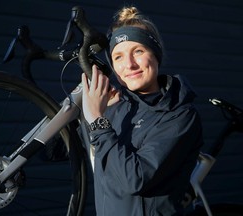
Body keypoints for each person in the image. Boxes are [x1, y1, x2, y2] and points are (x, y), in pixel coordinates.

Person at [81, 5, 203, 216]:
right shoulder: (111, 108)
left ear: (156, 55)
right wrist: (77, 111)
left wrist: (97, 120)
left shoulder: (179, 115)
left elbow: (136, 179)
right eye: (118, 57)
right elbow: (55, 153)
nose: (129, 64)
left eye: (138, 51)